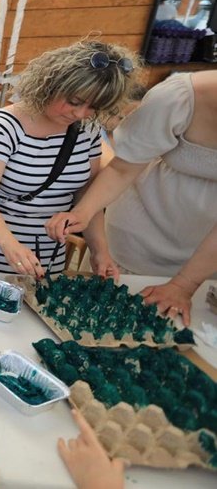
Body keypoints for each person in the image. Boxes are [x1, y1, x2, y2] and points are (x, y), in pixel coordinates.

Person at [46, 70, 217, 324]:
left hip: (203, 259)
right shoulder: (178, 97)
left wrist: (185, 283)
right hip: (135, 237)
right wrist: (83, 212)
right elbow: (121, 168)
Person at [0, 41, 141, 278]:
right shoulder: (3, 127)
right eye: (74, 102)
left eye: (93, 107)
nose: (79, 114)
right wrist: (10, 245)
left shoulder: (86, 131)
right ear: (50, 85)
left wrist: (99, 250)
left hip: (51, 251)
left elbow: (86, 195)